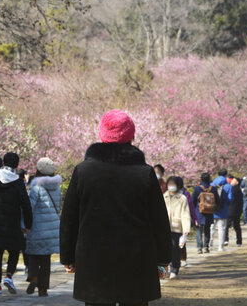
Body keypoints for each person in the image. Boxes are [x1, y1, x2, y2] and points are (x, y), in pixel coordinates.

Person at [60, 109, 171, 306]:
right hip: (137, 258)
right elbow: (159, 219)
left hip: (94, 259)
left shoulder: (84, 171)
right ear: (131, 136)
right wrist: (163, 259)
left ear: (102, 134)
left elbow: (70, 217)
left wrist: (68, 256)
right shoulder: (144, 173)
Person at [0, 152, 33, 297]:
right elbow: (26, 205)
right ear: (16, 165)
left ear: (3, 163)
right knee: (15, 250)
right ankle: (9, 276)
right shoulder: (18, 182)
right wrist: (28, 223)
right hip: (12, 222)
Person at [25, 157, 62, 297]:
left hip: (37, 226)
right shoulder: (57, 188)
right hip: (52, 227)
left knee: (34, 254)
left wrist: (25, 223)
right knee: (46, 259)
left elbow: (30, 207)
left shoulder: (36, 187)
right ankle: (43, 289)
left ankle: (33, 276)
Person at [163, 176, 191, 279]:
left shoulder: (182, 198)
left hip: (177, 227)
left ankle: (175, 268)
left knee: (176, 249)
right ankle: (167, 269)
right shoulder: (164, 196)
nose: (171, 186)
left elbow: (185, 214)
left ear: (178, 186)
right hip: (165, 228)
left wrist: (186, 229)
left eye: (173, 184)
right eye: (169, 184)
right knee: (167, 249)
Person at [192, 172, 219, 254]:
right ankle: (206, 247)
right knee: (207, 230)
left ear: (201, 179)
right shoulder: (213, 189)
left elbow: (193, 201)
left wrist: (193, 211)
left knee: (199, 230)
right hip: (209, 212)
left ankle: (199, 248)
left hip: (199, 212)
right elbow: (217, 200)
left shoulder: (197, 189)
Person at [209, 169, 233, 251]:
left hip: (212, 210)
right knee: (222, 229)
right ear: (226, 175)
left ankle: (209, 244)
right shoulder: (228, 186)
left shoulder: (211, 185)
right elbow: (230, 199)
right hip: (223, 210)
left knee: (211, 227)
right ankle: (220, 247)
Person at [178, 179, 197, 267]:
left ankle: (182, 259)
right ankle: (177, 260)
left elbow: (191, 207)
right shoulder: (167, 195)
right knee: (174, 242)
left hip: (183, 220)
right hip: (173, 221)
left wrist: (195, 218)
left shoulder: (185, 194)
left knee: (182, 241)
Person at [225, 176, 243, 247]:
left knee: (226, 225)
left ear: (237, 182)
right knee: (236, 226)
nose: (232, 181)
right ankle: (239, 241)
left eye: (233, 180)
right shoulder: (238, 190)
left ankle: (226, 239)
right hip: (237, 211)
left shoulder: (233, 189)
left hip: (231, 210)